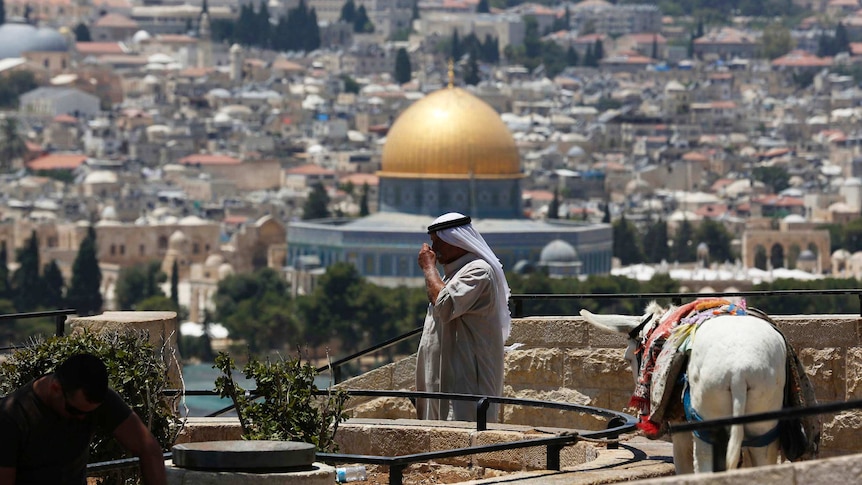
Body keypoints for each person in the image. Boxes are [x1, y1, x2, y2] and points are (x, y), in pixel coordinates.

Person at [0, 353, 167, 485]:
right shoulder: (12, 417)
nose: (82, 418)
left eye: (90, 413)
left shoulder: (94, 399)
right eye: (74, 410)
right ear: (55, 388)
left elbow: (149, 449)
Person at [415, 212, 511, 422]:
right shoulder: (452, 274)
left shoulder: (478, 271)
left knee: (460, 439)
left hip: (464, 378)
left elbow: (445, 305)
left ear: (456, 240)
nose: (433, 249)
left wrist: (429, 269)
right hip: (442, 376)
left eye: (438, 241)